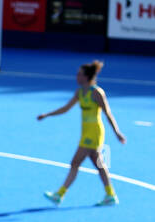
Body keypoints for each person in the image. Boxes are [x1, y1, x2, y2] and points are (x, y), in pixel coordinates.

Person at [39, 60, 126, 206]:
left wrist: (117, 132)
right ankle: (110, 195)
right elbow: (66, 108)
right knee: (99, 164)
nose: (76, 77)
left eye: (79, 74)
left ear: (86, 77)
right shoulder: (80, 92)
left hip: (94, 133)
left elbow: (108, 113)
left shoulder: (96, 93)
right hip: (86, 133)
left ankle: (59, 194)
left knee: (75, 162)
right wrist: (47, 114)